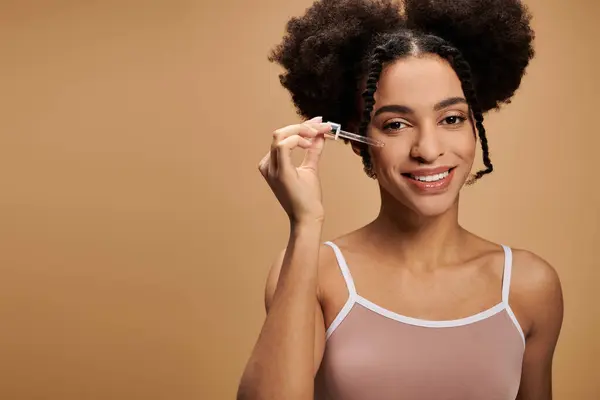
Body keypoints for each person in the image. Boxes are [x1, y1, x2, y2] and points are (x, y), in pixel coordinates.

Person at [238, 0, 563, 399]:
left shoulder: (529, 286)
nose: (428, 149)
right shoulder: (317, 273)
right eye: (396, 124)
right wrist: (305, 224)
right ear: (359, 141)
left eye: (451, 119)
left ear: (475, 127)